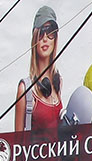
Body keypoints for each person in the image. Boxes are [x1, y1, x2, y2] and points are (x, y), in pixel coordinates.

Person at [15, 6, 64, 136]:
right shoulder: (25, 89)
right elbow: (17, 145)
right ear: (35, 37)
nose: (45, 38)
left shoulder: (57, 83)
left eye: (51, 31)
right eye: (41, 32)